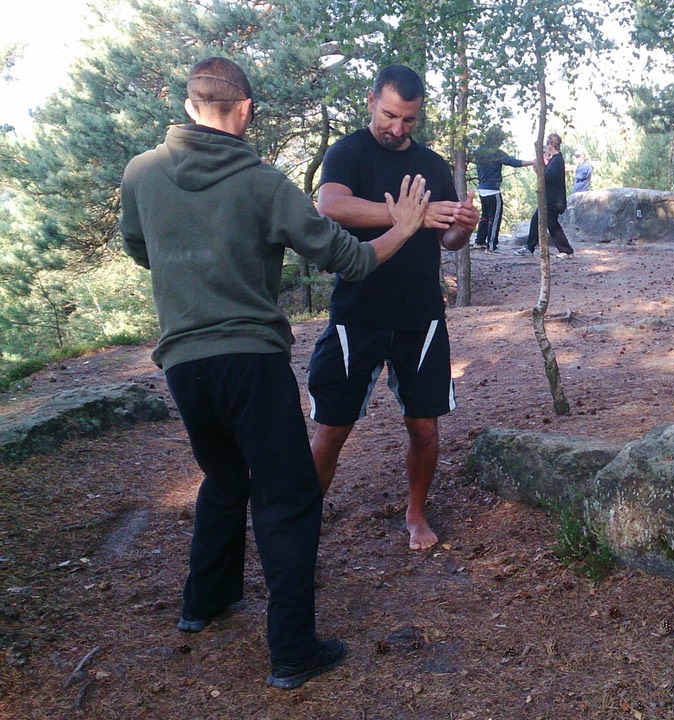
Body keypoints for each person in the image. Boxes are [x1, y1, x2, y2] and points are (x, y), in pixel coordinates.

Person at [120, 57, 432, 689]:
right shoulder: (262, 183)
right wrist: (402, 227)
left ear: (189, 107)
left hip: (182, 362)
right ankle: (292, 651)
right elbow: (349, 257)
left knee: (224, 475)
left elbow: (139, 248)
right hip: (251, 361)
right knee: (288, 497)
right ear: (245, 110)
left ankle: (203, 603)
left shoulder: (140, 174)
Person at [307, 64, 479, 553]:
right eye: (389, 115)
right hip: (357, 311)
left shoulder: (434, 164)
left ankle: (416, 514)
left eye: (408, 120)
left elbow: (448, 239)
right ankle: (303, 521)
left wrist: (462, 224)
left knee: (424, 426)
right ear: (370, 101)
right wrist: (407, 216)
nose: (397, 128)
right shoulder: (348, 152)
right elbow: (331, 206)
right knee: (333, 428)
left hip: (420, 316)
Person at [472, 126, 533, 252]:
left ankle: (479, 241)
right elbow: (514, 162)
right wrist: (533, 162)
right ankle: (491, 245)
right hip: (493, 190)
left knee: (485, 216)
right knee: (494, 218)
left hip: (481, 189)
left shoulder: (479, 151)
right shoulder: (497, 153)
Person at [515, 133, 573, 258]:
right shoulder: (555, 160)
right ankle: (566, 250)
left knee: (538, 220)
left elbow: (548, 177)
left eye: (547, 143)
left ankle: (530, 248)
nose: (546, 146)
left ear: (552, 144)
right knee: (551, 224)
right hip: (552, 199)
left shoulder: (557, 160)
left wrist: (538, 168)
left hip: (553, 200)